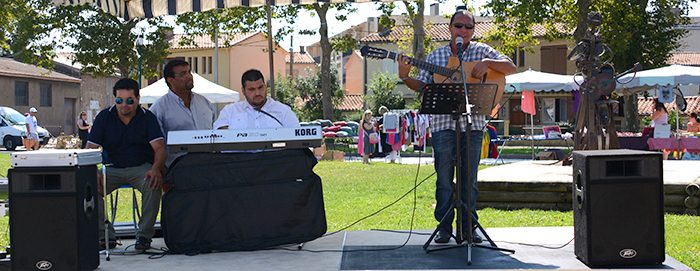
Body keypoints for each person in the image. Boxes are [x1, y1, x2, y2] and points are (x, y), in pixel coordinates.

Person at [397, 8, 516, 244]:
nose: (464, 30)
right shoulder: (435, 57)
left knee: (469, 180)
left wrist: (486, 63)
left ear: (473, 30)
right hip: (443, 126)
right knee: (443, 180)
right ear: (450, 28)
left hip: (473, 126)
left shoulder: (482, 51)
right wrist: (405, 76)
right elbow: (421, 85)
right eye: (459, 25)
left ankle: (468, 228)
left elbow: (510, 67)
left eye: (469, 26)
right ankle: (444, 228)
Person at [87, 78, 166, 251]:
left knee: (153, 184)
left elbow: (159, 148)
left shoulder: (148, 118)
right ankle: (105, 236)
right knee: (88, 187)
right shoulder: (104, 117)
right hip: (110, 167)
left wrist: (156, 168)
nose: (124, 104)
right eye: (119, 100)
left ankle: (144, 236)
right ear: (114, 99)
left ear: (138, 98)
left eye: (129, 100)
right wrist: (93, 170)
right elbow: (90, 148)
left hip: (141, 167)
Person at [150, 59, 216, 167]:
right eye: (183, 74)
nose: (189, 76)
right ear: (171, 80)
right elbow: (156, 147)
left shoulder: (205, 102)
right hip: (177, 169)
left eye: (189, 72)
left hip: (208, 166)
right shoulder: (159, 108)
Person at [214, 69, 299, 129]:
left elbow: (296, 138)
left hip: (277, 154)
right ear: (243, 91)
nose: (257, 93)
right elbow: (219, 138)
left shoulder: (283, 111)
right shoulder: (230, 111)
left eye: (260, 87)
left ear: (265, 87)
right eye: (252, 89)